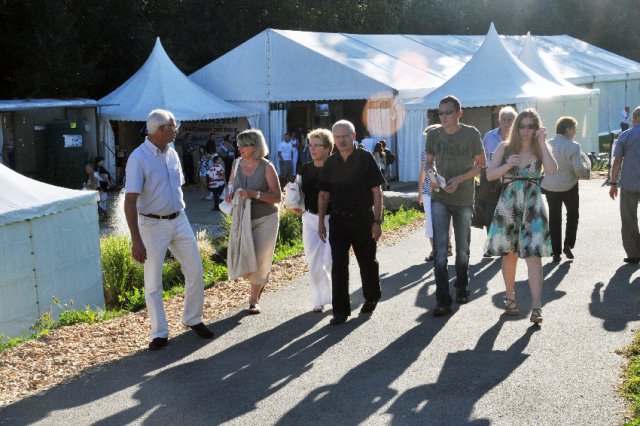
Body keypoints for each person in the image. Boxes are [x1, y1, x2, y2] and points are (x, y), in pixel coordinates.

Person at [124, 109, 214, 350]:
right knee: (153, 281)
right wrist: (136, 240)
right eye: (174, 126)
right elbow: (129, 201)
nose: (177, 130)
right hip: (152, 224)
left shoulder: (172, 153)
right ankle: (159, 332)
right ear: (161, 129)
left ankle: (193, 318)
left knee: (195, 270)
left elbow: (177, 189)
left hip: (179, 219)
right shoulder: (138, 158)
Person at [484, 108, 557, 324]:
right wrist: (508, 165)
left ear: (536, 128)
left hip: (533, 207)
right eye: (522, 126)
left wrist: (542, 142)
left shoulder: (540, 148)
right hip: (508, 206)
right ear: (517, 127)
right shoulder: (505, 147)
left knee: (534, 256)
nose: (525, 131)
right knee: (509, 255)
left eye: (530, 126)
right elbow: (489, 175)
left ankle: (536, 307)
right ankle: (510, 298)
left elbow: (552, 170)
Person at [318, 120, 385, 325]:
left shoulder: (365, 158)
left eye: (345, 136)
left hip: (363, 219)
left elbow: (377, 192)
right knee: (338, 265)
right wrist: (321, 222)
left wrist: (377, 221)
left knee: (367, 261)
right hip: (338, 220)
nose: (341, 140)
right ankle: (340, 311)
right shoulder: (331, 163)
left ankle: (372, 296)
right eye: (337, 137)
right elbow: (323, 194)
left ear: (353, 136)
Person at [425, 96, 485, 317]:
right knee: (440, 251)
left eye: (448, 112)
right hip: (439, 197)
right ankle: (442, 299)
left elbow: (481, 164)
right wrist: (432, 178)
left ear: (459, 113)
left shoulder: (471, 134)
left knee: (462, 248)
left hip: (463, 199)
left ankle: (461, 286)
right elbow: (428, 163)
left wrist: (459, 179)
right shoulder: (434, 134)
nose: (443, 117)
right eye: (440, 113)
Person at [225, 129, 282, 314]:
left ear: (255, 146)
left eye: (243, 145)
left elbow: (277, 197)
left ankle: (253, 298)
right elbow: (231, 183)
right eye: (238, 144)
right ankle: (259, 282)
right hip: (243, 218)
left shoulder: (267, 166)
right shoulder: (236, 163)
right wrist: (230, 194)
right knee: (246, 254)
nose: (239, 148)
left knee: (261, 258)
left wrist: (254, 194)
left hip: (266, 218)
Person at [288, 128, 334, 312]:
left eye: (317, 145)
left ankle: (336, 296)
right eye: (310, 145)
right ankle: (319, 300)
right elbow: (295, 189)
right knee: (314, 261)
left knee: (330, 260)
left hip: (333, 219)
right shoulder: (305, 169)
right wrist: (294, 205)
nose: (312, 149)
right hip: (309, 218)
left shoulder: (336, 168)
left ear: (328, 148)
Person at [541, 116, 591, 263]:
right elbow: (578, 169)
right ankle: (568, 244)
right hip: (569, 186)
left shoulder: (547, 143)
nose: (575, 132)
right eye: (574, 129)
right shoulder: (574, 146)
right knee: (573, 215)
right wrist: (587, 172)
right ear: (567, 129)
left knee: (554, 218)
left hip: (550, 186)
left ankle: (555, 252)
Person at [476, 107, 517, 233]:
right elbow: (482, 158)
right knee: (490, 217)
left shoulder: (520, 138)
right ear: (499, 120)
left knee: (509, 220)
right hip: (492, 182)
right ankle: (492, 242)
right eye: (504, 119)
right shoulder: (489, 136)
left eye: (510, 120)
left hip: (512, 182)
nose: (507, 123)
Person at [610, 106, 640, 264]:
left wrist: (613, 182)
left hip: (629, 182)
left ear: (634, 118)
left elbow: (617, 162)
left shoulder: (625, 135)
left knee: (629, 218)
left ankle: (633, 253)